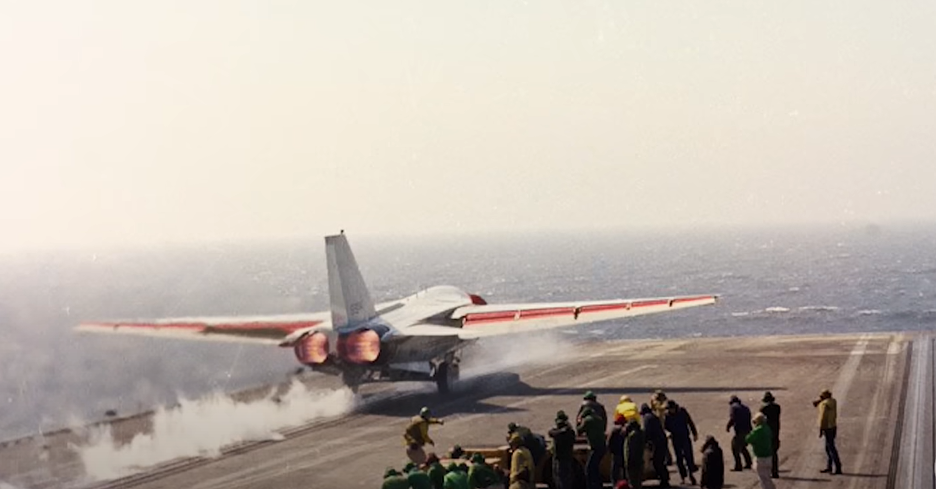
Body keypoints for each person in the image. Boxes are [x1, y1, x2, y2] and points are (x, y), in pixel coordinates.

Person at [664, 400, 698, 485]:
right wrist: (668, 433)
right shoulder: (667, 415)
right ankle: (683, 477)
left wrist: (694, 433)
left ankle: (691, 474)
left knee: (689, 457)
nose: (669, 411)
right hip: (675, 439)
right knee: (679, 459)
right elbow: (665, 427)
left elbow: (690, 422)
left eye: (670, 409)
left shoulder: (682, 412)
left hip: (685, 437)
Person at [641, 403, 670, 488]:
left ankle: (664, 480)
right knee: (660, 461)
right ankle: (665, 478)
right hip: (662, 441)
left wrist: (644, 442)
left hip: (658, 443)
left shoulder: (647, 418)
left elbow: (647, 432)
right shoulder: (653, 416)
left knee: (657, 462)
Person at [813, 389, 842, 474]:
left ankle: (837, 467)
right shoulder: (833, 401)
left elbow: (823, 418)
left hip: (827, 427)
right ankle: (829, 466)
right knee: (828, 447)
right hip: (833, 426)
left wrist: (821, 429)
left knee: (831, 448)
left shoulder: (824, 404)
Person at [577, 406, 607, 489]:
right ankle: (598, 485)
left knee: (589, 469)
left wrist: (580, 421)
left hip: (595, 448)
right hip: (602, 446)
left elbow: (579, 430)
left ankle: (591, 486)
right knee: (595, 468)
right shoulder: (599, 419)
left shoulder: (587, 420)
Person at [746, 413, 776, 489]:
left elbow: (748, 439)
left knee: (763, 479)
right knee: (767, 477)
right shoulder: (767, 428)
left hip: (760, 456)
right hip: (768, 455)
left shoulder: (757, 430)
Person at [547, 410, 576, 489]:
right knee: (559, 478)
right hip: (563, 457)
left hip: (562, 458)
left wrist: (560, 430)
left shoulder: (564, 433)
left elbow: (551, 433)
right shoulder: (569, 432)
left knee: (562, 479)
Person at [725, 395, 753, 471]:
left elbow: (732, 419)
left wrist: (728, 427)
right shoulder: (745, 407)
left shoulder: (733, 408)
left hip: (740, 430)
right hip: (748, 430)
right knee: (742, 446)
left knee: (735, 447)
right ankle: (749, 462)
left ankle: (738, 466)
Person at [760, 391, 781, 479]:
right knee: (774, 452)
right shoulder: (777, 407)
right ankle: (775, 471)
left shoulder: (764, 408)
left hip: (767, 431)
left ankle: (766, 470)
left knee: (766, 452)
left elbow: (760, 419)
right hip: (776, 430)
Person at [650, 390, 673, 466]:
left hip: (661, 425)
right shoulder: (656, 402)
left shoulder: (661, 404)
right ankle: (667, 458)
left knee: (663, 443)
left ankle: (668, 458)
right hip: (659, 424)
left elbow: (660, 408)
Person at [623, 418, 645, 489]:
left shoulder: (633, 436)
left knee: (633, 482)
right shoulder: (640, 433)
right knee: (638, 482)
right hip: (639, 461)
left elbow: (631, 450)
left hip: (632, 463)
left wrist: (629, 462)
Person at [607, 418, 626, 487]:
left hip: (616, 453)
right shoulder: (625, 431)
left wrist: (610, 450)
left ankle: (615, 485)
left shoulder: (614, 430)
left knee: (615, 471)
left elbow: (609, 442)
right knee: (624, 471)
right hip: (623, 453)